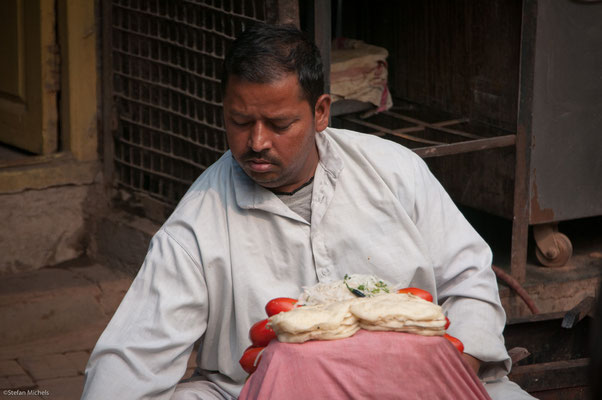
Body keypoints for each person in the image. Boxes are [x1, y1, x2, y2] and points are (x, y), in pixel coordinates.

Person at [81, 23, 535, 399]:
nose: (256, 142)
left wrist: (445, 371)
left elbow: (469, 280)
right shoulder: (196, 226)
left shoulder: (396, 171)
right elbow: (128, 364)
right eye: (240, 122)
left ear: (320, 112)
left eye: (279, 124)